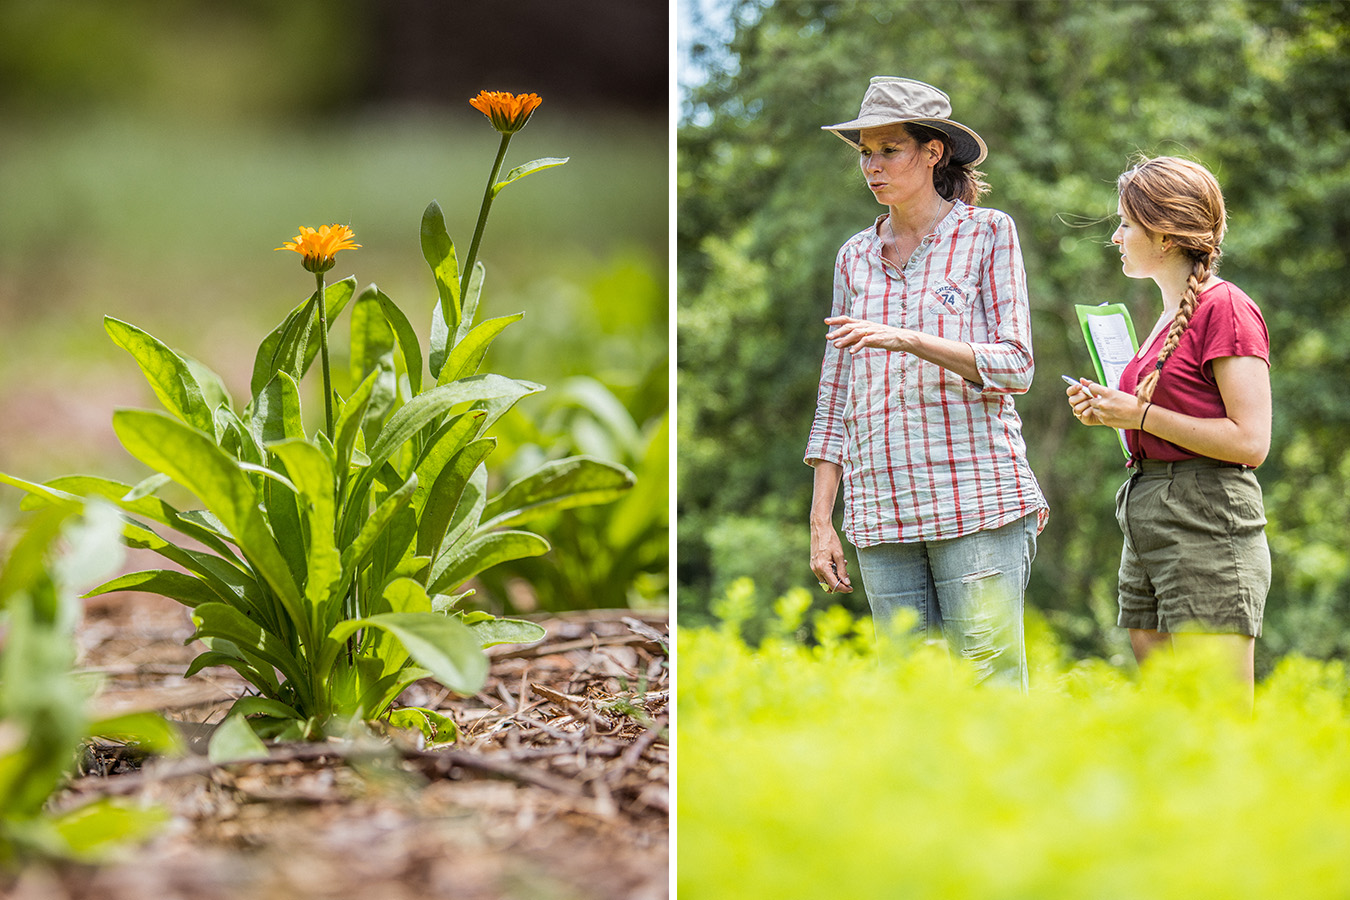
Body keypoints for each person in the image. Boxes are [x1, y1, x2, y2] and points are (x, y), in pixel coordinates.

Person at [805, 77, 1047, 689]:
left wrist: (907, 339)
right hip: (881, 511)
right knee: (911, 697)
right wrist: (821, 521)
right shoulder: (854, 257)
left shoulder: (988, 233)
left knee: (989, 688)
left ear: (933, 152)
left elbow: (1016, 364)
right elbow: (835, 394)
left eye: (889, 150)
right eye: (865, 152)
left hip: (976, 499)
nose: (872, 166)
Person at [1065, 155, 1271, 702]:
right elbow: (1166, 418)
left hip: (1206, 517)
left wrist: (1139, 415)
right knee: (1169, 716)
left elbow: (1251, 442)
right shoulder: (1165, 315)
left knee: (1218, 718)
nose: (1116, 236)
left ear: (1163, 235)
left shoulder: (1226, 307)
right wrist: (1110, 411)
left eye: (1126, 224)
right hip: (1148, 510)